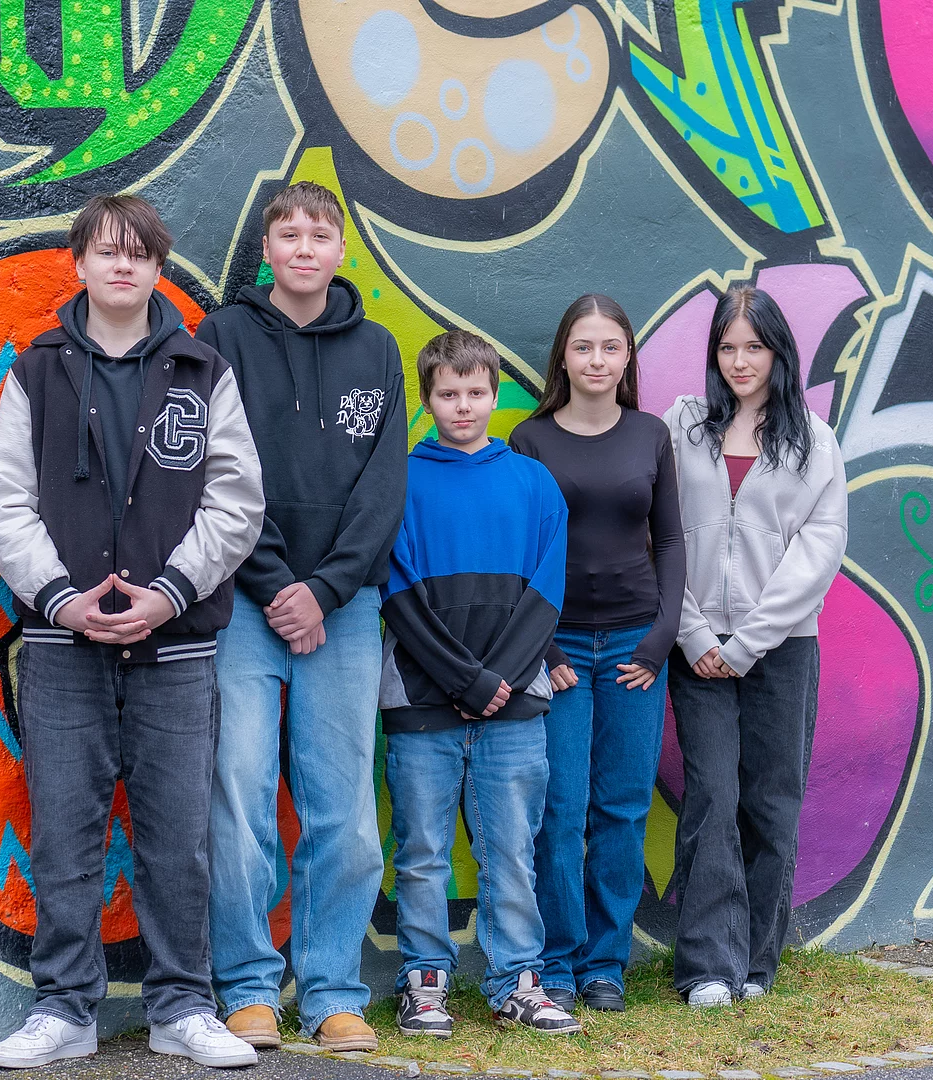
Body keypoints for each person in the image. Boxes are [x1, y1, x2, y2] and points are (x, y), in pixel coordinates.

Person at [0, 194, 265, 1069]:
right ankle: (64, 1011)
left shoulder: (202, 371)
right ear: (78, 264)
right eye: (106, 251)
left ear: (156, 268)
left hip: (175, 645)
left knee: (177, 838)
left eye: (138, 253)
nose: (121, 266)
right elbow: (5, 505)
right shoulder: (35, 373)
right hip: (62, 646)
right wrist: (61, 599)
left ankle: (183, 1008)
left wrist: (169, 593)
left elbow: (235, 500)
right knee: (64, 834)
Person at [195, 181, 407, 1052]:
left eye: (320, 234)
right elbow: (216, 472)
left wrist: (324, 592)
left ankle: (330, 992)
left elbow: (382, 487)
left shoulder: (378, 349)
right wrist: (280, 584)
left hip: (344, 611)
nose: (305, 248)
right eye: (289, 234)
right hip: (245, 604)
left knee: (344, 809)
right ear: (268, 249)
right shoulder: (221, 337)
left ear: (340, 251)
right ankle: (248, 987)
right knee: (239, 794)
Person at [379, 330, 579, 1039]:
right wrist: (464, 680)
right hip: (422, 703)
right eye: (448, 394)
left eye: (475, 392)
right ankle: (424, 983)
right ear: (427, 400)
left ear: (495, 396)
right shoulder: (400, 482)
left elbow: (547, 590)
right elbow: (398, 594)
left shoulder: (532, 482)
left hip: (514, 707)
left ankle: (517, 980)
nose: (462, 406)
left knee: (511, 851)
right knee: (422, 852)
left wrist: (497, 682)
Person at [663, 284, 847, 1008]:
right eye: (727, 347)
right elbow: (659, 534)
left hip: (781, 648)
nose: (739, 361)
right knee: (711, 794)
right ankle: (708, 964)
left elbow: (819, 552)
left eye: (754, 347)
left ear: (779, 352)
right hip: (696, 648)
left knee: (772, 801)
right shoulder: (683, 427)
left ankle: (756, 963)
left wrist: (747, 643)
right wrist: (693, 633)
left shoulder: (813, 441)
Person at [509, 295, 685, 1014]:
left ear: (627, 357)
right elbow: (519, 555)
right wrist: (545, 646)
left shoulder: (650, 435)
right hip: (559, 650)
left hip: (635, 649)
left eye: (610, 347)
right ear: (563, 355)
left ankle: (605, 964)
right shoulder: (530, 440)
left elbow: (670, 541)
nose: (596, 360)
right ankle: (556, 962)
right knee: (560, 806)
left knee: (620, 806)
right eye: (583, 346)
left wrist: (660, 637)